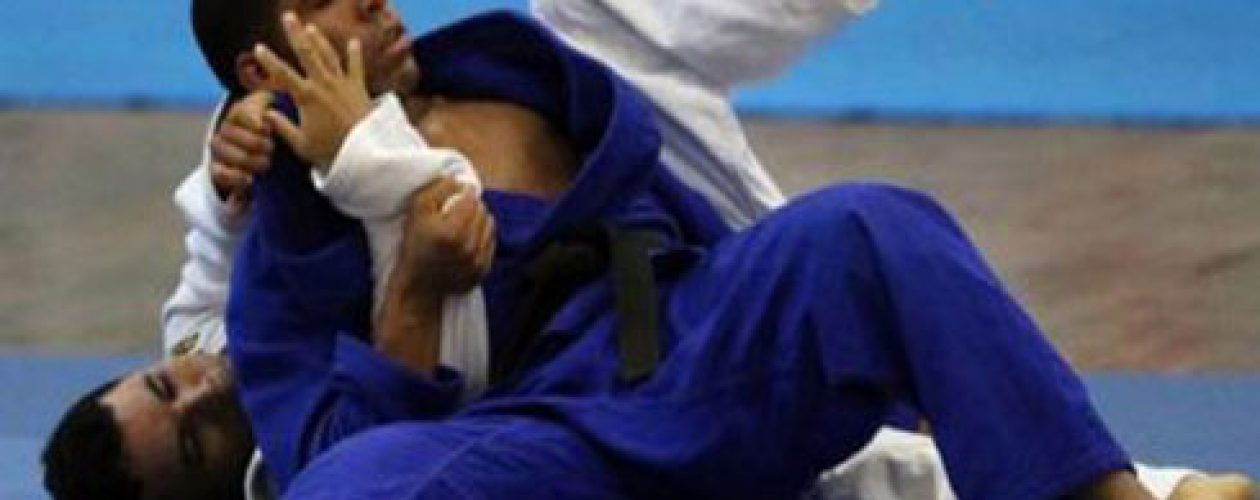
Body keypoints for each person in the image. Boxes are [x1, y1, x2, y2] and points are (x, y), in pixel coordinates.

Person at [40, 1, 1251, 500]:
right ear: (268, 59)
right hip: (552, 436)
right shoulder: (279, 253)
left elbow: (690, 233)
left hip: (687, 341)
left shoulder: (509, 66)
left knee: (867, 228)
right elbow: (343, 456)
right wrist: (408, 277)